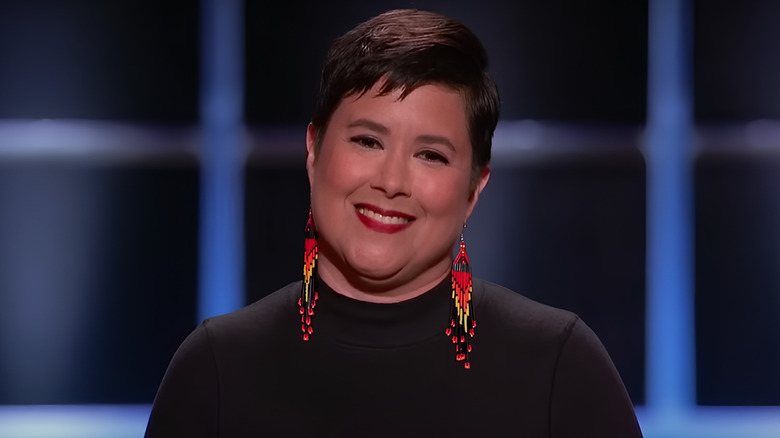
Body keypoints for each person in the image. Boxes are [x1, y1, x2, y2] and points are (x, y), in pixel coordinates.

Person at [145, 9, 643, 437]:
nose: (391, 181)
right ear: (314, 150)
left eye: (430, 154)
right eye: (367, 141)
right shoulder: (215, 372)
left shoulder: (559, 368)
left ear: (475, 188)